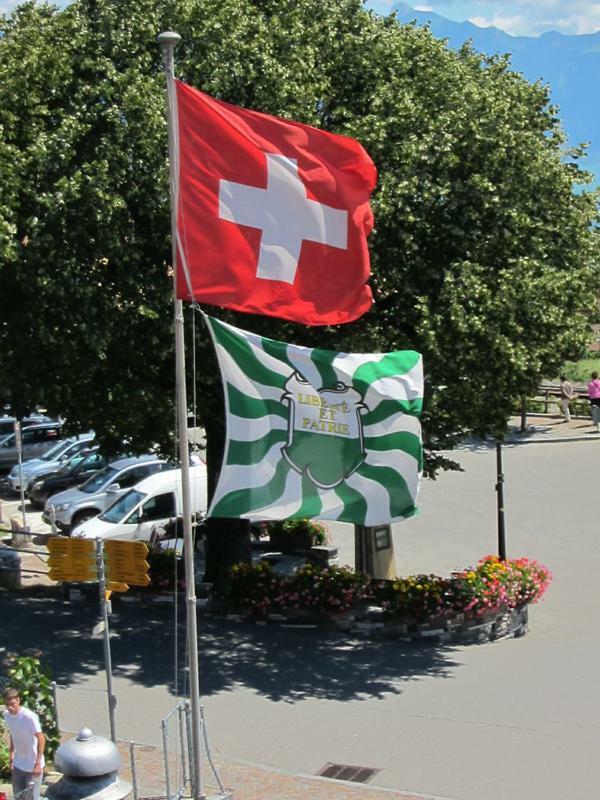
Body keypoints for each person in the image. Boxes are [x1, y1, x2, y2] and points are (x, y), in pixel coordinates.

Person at [2, 688, 45, 800]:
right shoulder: (7, 715)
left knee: (31, 798)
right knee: (19, 797)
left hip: (32, 765)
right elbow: (13, 733)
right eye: (7, 704)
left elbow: (41, 739)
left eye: (12, 704)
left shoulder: (28, 717)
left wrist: (38, 763)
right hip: (18, 763)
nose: (10, 707)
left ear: (18, 700)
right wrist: (11, 753)